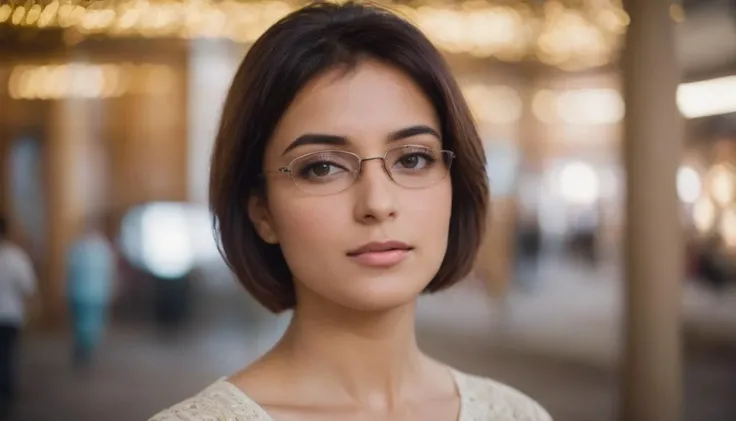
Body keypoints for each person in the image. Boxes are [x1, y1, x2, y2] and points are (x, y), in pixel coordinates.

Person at [150, 2, 552, 420]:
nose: (377, 204)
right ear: (262, 211)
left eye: (412, 159)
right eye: (322, 167)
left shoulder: (517, 414)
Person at [66, 216, 115, 366]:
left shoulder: (101, 248)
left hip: (95, 293)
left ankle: (86, 349)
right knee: (83, 324)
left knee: (92, 324)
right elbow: (71, 272)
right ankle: (83, 349)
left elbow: (109, 273)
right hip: (83, 293)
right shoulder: (79, 248)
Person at [0, 216, 36, 417]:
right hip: (10, 317)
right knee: (6, 356)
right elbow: (28, 287)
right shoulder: (15, 257)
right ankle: (6, 395)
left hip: (9, 316)